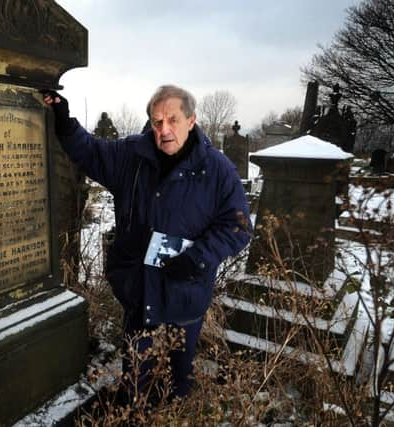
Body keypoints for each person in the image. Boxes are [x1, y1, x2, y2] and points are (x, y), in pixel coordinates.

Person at [42, 85, 251, 400]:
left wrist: (198, 258)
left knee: (176, 385)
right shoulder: (132, 156)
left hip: (186, 296)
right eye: (156, 122)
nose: (164, 130)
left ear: (191, 120)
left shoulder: (217, 169)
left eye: (172, 120)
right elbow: (89, 152)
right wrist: (64, 120)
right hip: (140, 293)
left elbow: (238, 227)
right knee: (137, 382)